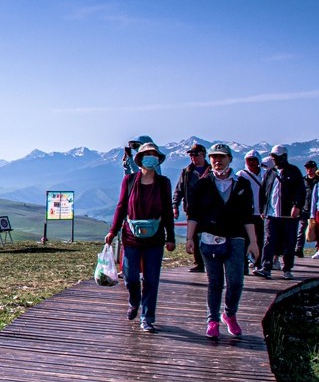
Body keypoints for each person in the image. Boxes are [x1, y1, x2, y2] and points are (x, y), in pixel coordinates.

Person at [186, 143, 259, 339]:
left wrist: (253, 241)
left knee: (236, 281)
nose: (217, 161)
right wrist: (190, 238)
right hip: (210, 238)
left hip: (235, 237)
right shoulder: (202, 184)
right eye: (214, 157)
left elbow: (247, 216)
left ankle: (230, 314)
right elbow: (193, 213)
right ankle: (212, 320)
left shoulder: (242, 184)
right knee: (215, 282)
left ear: (230, 159)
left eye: (222, 157)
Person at [106, 143, 176, 333]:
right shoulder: (129, 181)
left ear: (158, 159)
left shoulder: (164, 183)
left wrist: (171, 237)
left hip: (155, 237)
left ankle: (147, 317)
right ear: (140, 159)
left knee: (152, 279)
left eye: (154, 154)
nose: (151, 157)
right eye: (147, 154)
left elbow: (168, 211)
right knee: (130, 277)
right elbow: (121, 206)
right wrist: (113, 231)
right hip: (131, 236)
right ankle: (134, 301)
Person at [259, 144, 306, 280]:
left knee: (289, 242)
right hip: (271, 214)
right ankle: (266, 267)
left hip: (288, 215)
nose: (274, 159)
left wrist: (297, 206)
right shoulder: (270, 172)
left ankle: (287, 269)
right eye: (273, 156)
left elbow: (300, 191)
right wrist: (262, 208)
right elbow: (263, 191)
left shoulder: (294, 171)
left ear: (284, 157)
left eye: (276, 157)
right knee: (268, 240)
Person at [173, 143, 210, 272]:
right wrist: (175, 206)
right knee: (194, 236)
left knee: (209, 236)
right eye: (191, 155)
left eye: (195, 154)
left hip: (210, 210)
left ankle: (210, 262)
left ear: (203, 155)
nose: (193, 157)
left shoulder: (211, 171)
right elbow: (179, 190)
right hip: (192, 209)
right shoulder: (187, 172)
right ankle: (199, 263)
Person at [236, 150, 266, 273]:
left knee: (260, 240)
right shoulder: (241, 175)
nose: (251, 163)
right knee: (244, 240)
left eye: (254, 160)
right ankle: (244, 265)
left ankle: (259, 263)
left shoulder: (265, 174)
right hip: (246, 213)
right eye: (249, 160)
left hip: (262, 213)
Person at [296, 160, 319, 257]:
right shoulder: (302, 180)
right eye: (307, 168)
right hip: (304, 208)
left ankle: (318, 249)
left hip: (316, 209)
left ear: (315, 169)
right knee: (302, 229)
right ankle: (298, 249)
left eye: (311, 168)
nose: (309, 170)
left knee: (318, 229)